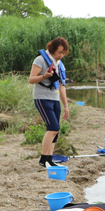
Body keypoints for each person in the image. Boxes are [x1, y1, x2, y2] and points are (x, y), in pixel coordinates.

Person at [29, 37, 70, 168]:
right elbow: (31, 79)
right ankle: (43, 159)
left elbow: (61, 86)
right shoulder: (40, 60)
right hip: (42, 97)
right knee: (53, 127)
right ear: (51, 50)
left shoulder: (59, 64)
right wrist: (44, 76)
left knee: (55, 130)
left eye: (63, 53)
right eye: (59, 53)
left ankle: (50, 159)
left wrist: (66, 105)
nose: (61, 56)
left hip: (54, 98)